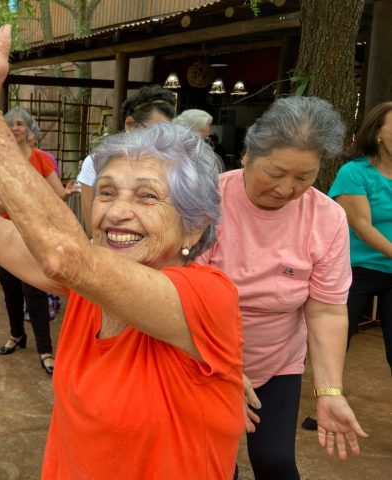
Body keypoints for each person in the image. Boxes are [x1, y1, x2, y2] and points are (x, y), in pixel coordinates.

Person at [0, 3, 245, 477]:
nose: (116, 211)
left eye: (147, 196)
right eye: (105, 192)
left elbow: (65, 255)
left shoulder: (209, 297)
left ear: (195, 225)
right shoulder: (86, 292)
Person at [197, 96, 367, 479]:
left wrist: (330, 392)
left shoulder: (327, 218)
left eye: (303, 178)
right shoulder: (208, 201)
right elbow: (185, 297)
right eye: (275, 172)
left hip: (277, 360)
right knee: (208, 463)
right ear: (247, 155)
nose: (286, 188)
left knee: (275, 461)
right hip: (203, 356)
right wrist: (222, 368)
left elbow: (325, 309)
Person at [0, 107, 67, 374]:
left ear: (28, 129)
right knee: (10, 290)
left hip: (34, 235)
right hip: (5, 234)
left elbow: (57, 194)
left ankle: (45, 349)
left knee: (34, 292)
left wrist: (27, 204)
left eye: (19, 124)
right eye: (10, 124)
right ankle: (16, 334)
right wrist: (11, 202)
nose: (15, 128)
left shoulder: (40, 159)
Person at [329, 101, 392, 374]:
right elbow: (362, 227)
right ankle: (324, 405)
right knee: (334, 343)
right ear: (377, 133)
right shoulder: (353, 172)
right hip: (356, 270)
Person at [76, 84, 176, 235]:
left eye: (168, 133)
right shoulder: (97, 162)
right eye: (156, 132)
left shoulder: (171, 165)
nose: (162, 139)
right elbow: (92, 228)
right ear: (130, 125)